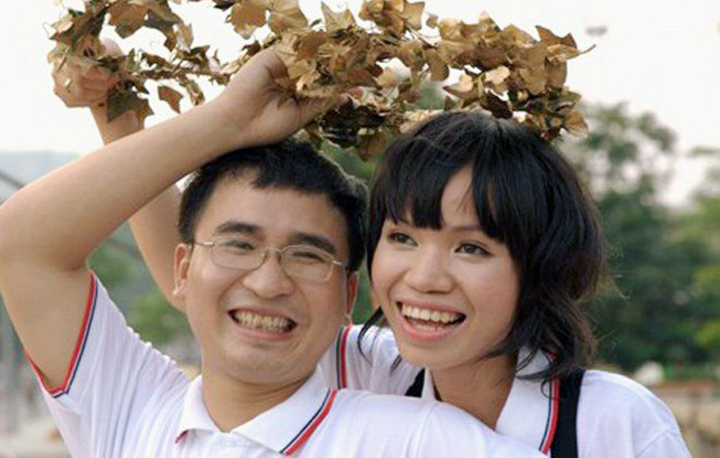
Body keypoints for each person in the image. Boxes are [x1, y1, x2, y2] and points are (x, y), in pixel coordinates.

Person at [50, 46, 691, 458]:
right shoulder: (378, 369)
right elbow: (207, 285)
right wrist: (118, 116)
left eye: (471, 248)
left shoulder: (612, 422)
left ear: (539, 263)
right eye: (403, 238)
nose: (425, 278)